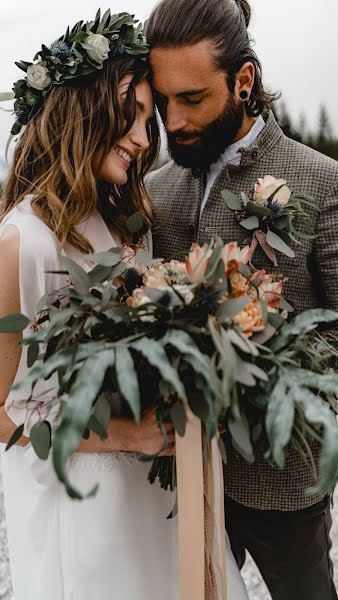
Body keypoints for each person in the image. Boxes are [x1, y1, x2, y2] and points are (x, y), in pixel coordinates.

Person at [145, 0, 338, 598]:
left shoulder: (326, 182)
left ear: (245, 81)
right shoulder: (154, 189)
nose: (173, 121)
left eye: (193, 99)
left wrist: (252, 378)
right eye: (162, 101)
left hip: (284, 477)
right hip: (175, 475)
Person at [0, 11, 248, 600]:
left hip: (154, 485)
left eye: (147, 118)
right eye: (129, 116)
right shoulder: (21, 242)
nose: (143, 138)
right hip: (82, 501)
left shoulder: (127, 225)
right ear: (77, 115)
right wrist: (124, 435)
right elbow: (2, 414)